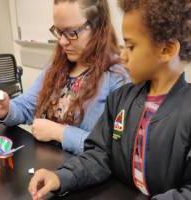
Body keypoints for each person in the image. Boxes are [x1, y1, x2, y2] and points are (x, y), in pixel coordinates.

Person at [28, 0, 191, 199]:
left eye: (130, 46)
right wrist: (62, 177)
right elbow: (99, 154)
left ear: (166, 50)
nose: (122, 55)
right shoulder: (120, 99)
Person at [0, 0, 128, 155]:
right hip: (49, 169)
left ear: (98, 26)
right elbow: (26, 106)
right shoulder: (58, 65)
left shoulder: (117, 76)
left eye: (71, 33)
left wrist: (61, 133)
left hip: (82, 175)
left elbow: (116, 149)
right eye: (59, 31)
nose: (62, 41)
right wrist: (5, 109)